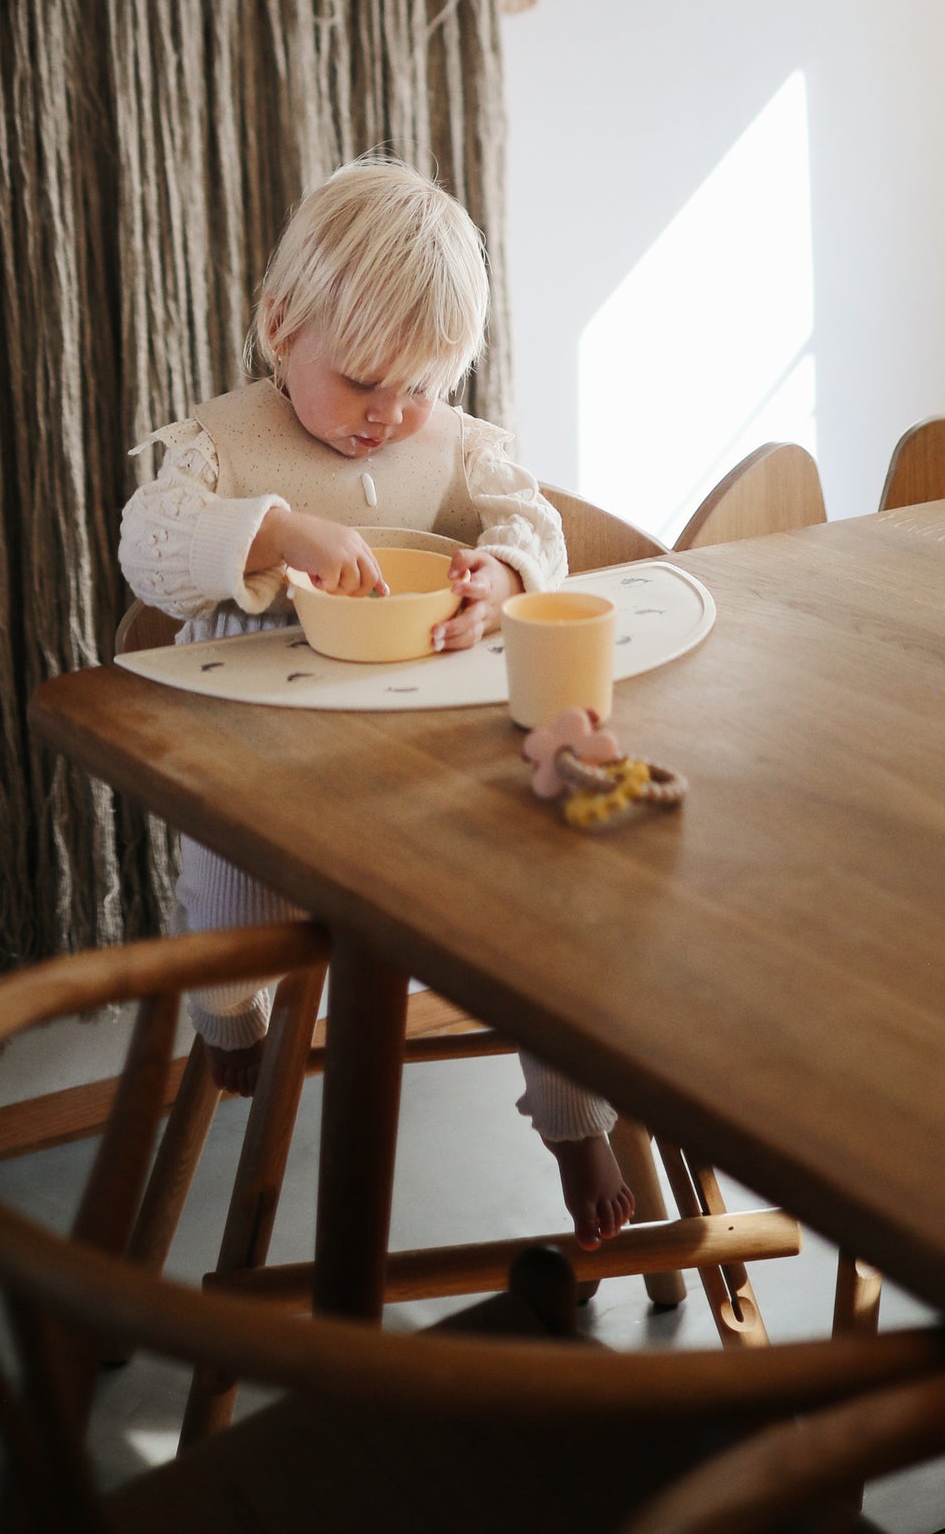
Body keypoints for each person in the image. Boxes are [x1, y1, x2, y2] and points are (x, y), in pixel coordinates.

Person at [118, 156, 635, 1248]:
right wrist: (274, 530)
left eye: (420, 390)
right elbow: (146, 549)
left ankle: (570, 1118)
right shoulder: (225, 446)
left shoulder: (455, 446)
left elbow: (534, 523)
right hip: (264, 761)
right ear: (278, 325)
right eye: (361, 382)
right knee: (223, 862)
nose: (387, 416)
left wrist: (503, 576)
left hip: (427, 760)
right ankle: (227, 1014)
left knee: (550, 891)